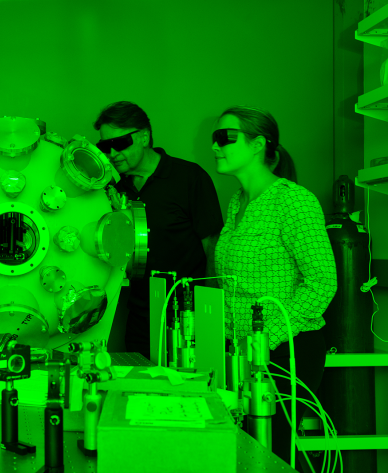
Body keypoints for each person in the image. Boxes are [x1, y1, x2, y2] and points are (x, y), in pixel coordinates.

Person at [94, 101, 337, 471]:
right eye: (214, 139)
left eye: (227, 137)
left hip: (285, 348)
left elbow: (322, 282)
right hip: (242, 353)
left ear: (259, 144)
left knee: (273, 453)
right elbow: (227, 283)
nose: (216, 146)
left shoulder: (293, 200)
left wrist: (264, 339)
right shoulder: (239, 201)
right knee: (239, 449)